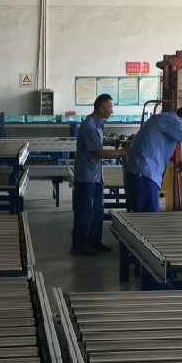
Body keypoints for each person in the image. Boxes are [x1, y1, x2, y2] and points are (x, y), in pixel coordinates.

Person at [71, 94, 130, 256]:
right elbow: (97, 152)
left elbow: (98, 141)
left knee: (98, 209)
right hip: (86, 176)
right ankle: (79, 244)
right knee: (85, 210)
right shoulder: (89, 125)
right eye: (110, 107)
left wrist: (111, 142)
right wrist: (122, 152)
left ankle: (94, 241)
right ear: (101, 108)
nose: (112, 110)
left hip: (96, 175)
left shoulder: (98, 122)